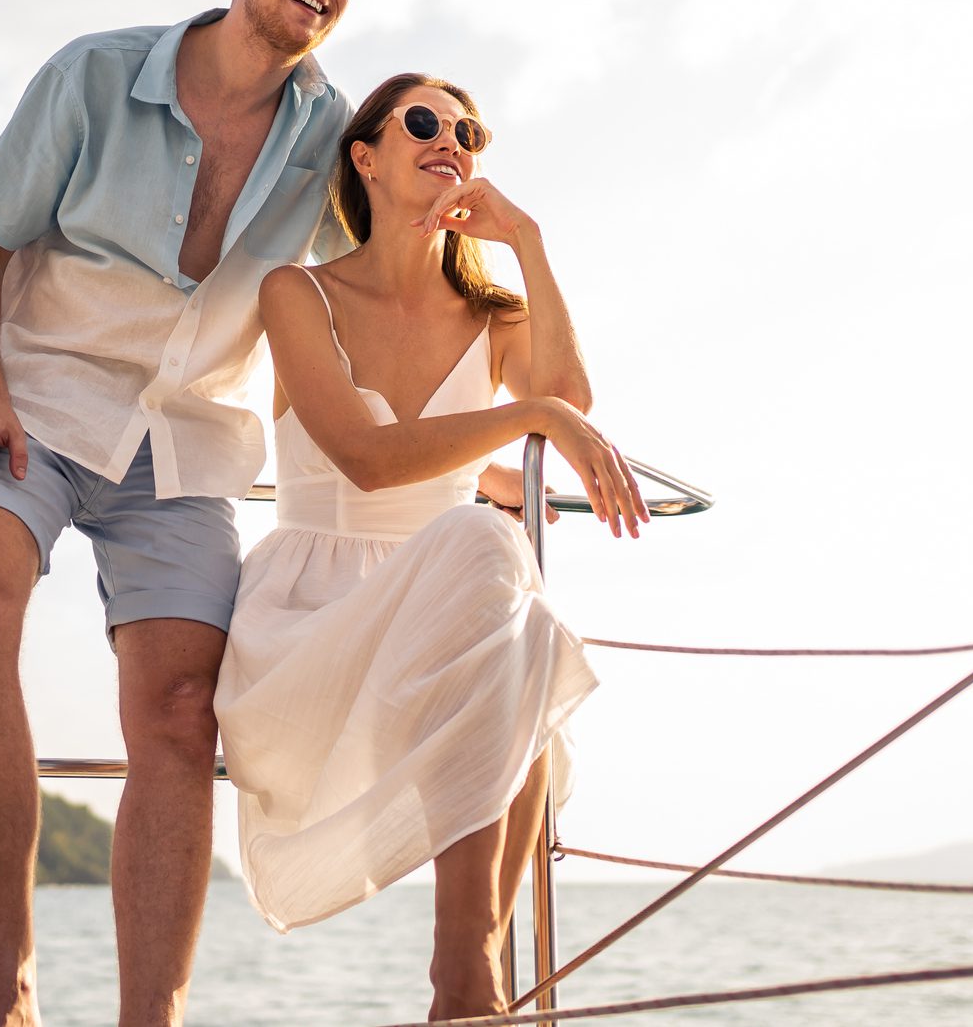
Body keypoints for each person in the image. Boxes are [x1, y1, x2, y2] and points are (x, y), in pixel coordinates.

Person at [0, 0, 370, 1027]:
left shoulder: (335, 142)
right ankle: (2, 990)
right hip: (33, 405)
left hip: (186, 447)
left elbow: (386, 293)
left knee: (179, 710)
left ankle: (146, 1020)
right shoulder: (95, 74)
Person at [214, 72, 650, 1021]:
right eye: (424, 121)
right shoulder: (298, 294)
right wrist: (525, 415)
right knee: (488, 555)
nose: (451, 138)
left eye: (470, 130)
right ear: (364, 156)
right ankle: (468, 973)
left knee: (514, 612)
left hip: (457, 617)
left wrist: (526, 242)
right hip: (315, 620)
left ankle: (467, 972)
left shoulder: (490, 313)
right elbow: (368, 462)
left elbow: (568, 397)